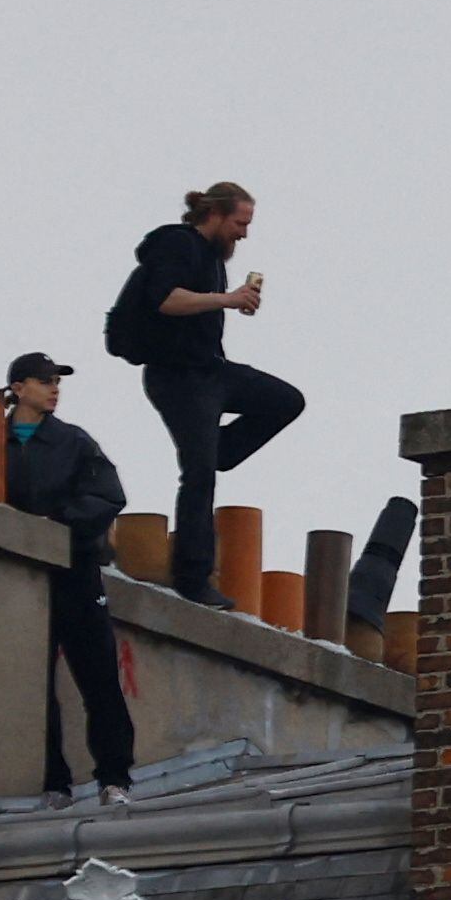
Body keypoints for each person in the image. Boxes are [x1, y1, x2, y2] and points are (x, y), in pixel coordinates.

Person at [114, 183, 303, 609]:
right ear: (215, 215)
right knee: (198, 475)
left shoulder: (214, 259)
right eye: (240, 223)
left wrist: (229, 300)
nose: (244, 234)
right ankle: (192, 576)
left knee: (285, 401)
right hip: (176, 377)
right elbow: (166, 299)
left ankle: (216, 450)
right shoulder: (174, 243)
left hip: (212, 372)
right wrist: (228, 299)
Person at [0, 353, 136, 810]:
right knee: (34, 684)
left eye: (57, 381)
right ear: (18, 388)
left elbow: (109, 495)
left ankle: (114, 779)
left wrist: (55, 526)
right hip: (19, 577)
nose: (54, 389)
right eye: (44, 381)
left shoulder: (74, 442)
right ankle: (54, 783)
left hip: (74, 571)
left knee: (98, 678)